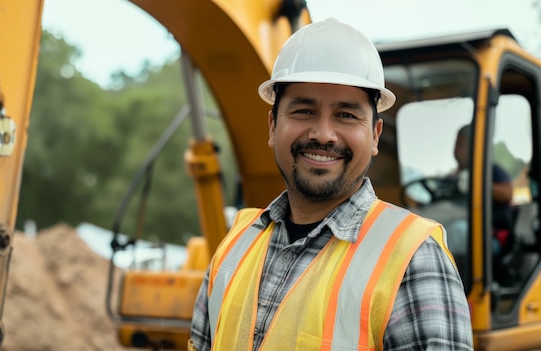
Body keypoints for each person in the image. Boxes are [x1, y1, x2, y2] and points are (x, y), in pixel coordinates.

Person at [189, 18, 473, 351]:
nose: (323, 134)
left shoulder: (412, 258)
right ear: (272, 126)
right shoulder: (235, 244)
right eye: (303, 111)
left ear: (375, 135)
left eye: (346, 115)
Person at [453, 124, 514, 255]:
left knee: (456, 232)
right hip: (466, 227)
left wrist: (477, 184)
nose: (455, 150)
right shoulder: (455, 176)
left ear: (472, 146)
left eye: (460, 145)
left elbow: (507, 194)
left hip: (490, 238)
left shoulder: (491, 170)